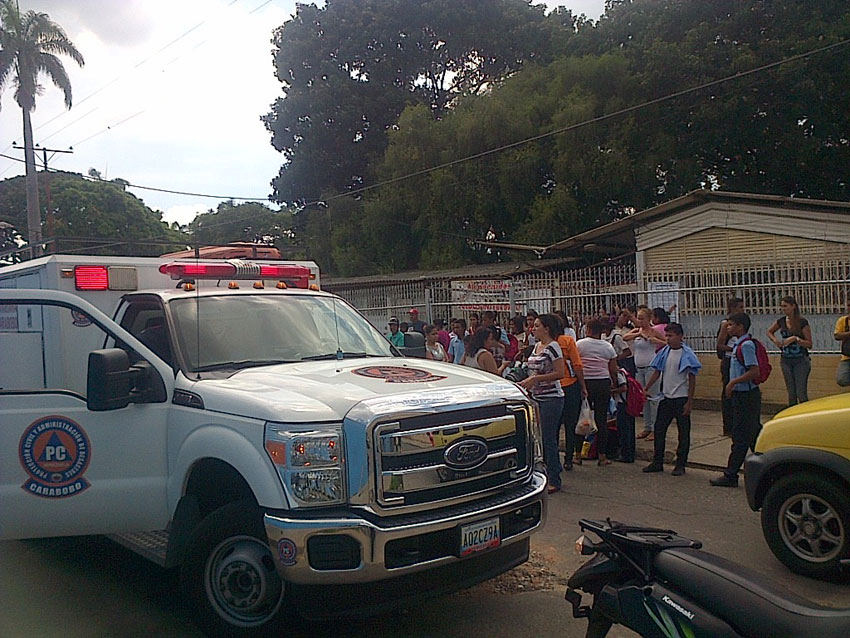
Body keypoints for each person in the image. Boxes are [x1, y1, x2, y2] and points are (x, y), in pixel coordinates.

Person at [642, 323, 701, 476]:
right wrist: (646, 388)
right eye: (666, 336)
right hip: (666, 397)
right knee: (659, 430)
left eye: (671, 336)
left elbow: (692, 378)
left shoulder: (687, 354)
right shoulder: (665, 352)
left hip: (681, 398)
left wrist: (689, 401)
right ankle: (657, 461)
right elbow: (656, 372)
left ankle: (681, 464)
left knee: (683, 433)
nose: (668, 339)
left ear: (680, 336)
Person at [711, 313, 761, 487]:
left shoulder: (746, 345)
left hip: (746, 396)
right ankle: (765, 465)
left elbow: (754, 371)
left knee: (740, 436)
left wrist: (733, 382)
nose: (728, 327)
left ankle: (731, 474)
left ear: (740, 327)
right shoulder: (737, 345)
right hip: (741, 395)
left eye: (731, 325)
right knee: (753, 433)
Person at [518, 314, 566, 493]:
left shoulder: (553, 347)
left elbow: (560, 372)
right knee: (539, 437)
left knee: (548, 439)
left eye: (537, 326)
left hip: (552, 398)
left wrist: (537, 379)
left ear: (547, 329)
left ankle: (554, 478)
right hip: (537, 397)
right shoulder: (537, 346)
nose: (533, 328)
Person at [576, 318, 619, 466]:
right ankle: (602, 456)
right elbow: (613, 369)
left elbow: (575, 364)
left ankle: (577, 455)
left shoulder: (579, 345)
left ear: (588, 329)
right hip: (602, 383)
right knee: (601, 420)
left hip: (585, 383)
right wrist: (614, 383)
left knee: (582, 418)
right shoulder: (608, 347)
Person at [624, 307, 666, 441]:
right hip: (639, 368)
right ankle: (647, 426)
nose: (640, 321)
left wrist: (656, 341)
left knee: (653, 398)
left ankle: (656, 428)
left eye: (642, 318)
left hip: (650, 367)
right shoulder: (637, 331)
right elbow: (625, 337)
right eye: (638, 318)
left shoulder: (654, 332)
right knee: (643, 398)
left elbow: (667, 342)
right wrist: (638, 334)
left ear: (649, 319)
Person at [767, 296, 813, 405]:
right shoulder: (781, 321)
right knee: (791, 393)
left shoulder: (802, 322)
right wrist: (776, 341)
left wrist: (796, 339)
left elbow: (809, 344)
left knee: (801, 392)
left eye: (785, 306)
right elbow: (769, 331)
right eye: (782, 306)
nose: (783, 309)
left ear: (793, 306)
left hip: (800, 359)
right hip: (786, 360)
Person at [556, 320, 587, 471]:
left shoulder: (542, 344)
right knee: (570, 424)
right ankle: (568, 458)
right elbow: (577, 365)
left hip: (552, 388)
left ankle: (552, 458)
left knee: (553, 426)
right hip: (570, 386)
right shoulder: (567, 341)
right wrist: (583, 386)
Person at [716, 297, 745, 436]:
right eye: (739, 308)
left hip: (738, 360)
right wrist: (733, 349)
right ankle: (728, 426)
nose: (742, 310)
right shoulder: (726, 324)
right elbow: (720, 344)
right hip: (728, 361)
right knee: (727, 392)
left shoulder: (740, 325)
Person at [834, 297, 850, 387]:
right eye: (848, 305)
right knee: (842, 379)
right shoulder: (843, 321)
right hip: (847, 356)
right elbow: (837, 335)